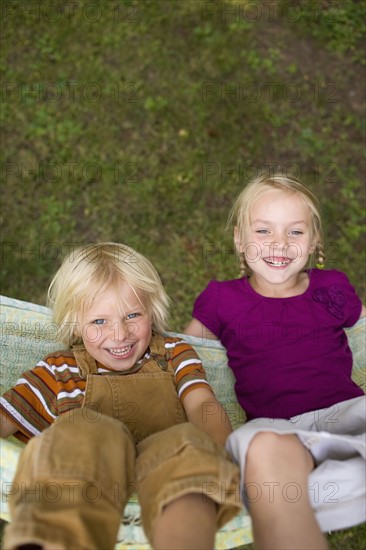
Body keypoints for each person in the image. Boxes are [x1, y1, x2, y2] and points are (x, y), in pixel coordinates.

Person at [0, 242, 241, 550]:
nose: (119, 334)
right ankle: (54, 539)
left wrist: (222, 452)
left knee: (189, 444)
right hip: (93, 481)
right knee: (82, 433)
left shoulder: (173, 354)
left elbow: (203, 403)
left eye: (132, 315)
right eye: (99, 321)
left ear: (151, 310)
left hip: (163, 471)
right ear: (75, 323)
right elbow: (8, 415)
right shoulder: (59, 369)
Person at [184, 173, 366, 550]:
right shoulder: (223, 299)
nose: (279, 244)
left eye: (295, 233)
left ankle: (294, 496)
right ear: (239, 239)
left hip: (346, 413)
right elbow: (185, 351)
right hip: (276, 431)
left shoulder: (331, 288)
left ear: (314, 241)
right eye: (264, 231)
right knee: (256, 446)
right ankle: (303, 496)